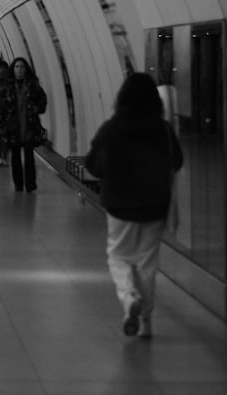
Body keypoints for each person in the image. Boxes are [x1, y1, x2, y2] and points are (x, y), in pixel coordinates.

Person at [85, 72, 183, 339]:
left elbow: (93, 165)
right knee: (146, 263)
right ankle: (146, 322)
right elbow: (177, 161)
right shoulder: (162, 129)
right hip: (155, 205)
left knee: (118, 256)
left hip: (120, 205)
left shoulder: (111, 128)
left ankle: (129, 299)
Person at [0, 57, 47, 191]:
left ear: (26, 69)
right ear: (13, 69)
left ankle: (30, 183)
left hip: (29, 126)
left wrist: (37, 108)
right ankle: (18, 183)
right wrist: (0, 125)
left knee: (29, 157)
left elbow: (42, 100)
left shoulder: (32, 86)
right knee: (16, 156)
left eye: (22, 67)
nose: (19, 70)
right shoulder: (7, 87)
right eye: (17, 67)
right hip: (13, 127)